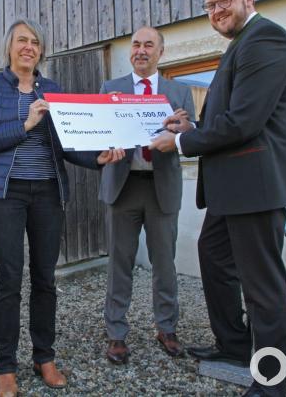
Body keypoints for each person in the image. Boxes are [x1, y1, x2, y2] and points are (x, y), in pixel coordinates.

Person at [150, 0, 286, 397]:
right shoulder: (241, 45)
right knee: (214, 255)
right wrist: (194, 123)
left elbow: (244, 123)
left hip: (255, 184)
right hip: (233, 186)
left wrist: (182, 140)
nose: (217, 11)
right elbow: (233, 118)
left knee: (263, 285)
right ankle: (236, 345)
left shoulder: (266, 41)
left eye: (224, 1)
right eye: (210, 6)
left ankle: (271, 381)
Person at [0, 18, 124, 397]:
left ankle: (44, 356)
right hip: (4, 194)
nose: (29, 47)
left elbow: (68, 143)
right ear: (9, 47)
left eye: (35, 42)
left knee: (45, 278)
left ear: (41, 51)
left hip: (47, 193)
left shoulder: (52, 89)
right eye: (22, 40)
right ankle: (5, 366)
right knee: (9, 278)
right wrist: (25, 124)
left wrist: (98, 158)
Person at [99, 26, 195, 365]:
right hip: (123, 186)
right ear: (131, 52)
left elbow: (192, 133)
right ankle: (116, 333)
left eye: (148, 45)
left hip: (161, 186)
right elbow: (101, 132)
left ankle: (166, 327)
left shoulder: (179, 91)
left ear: (161, 52)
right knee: (119, 263)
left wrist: (185, 130)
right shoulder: (111, 89)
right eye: (136, 45)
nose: (141, 50)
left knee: (164, 264)